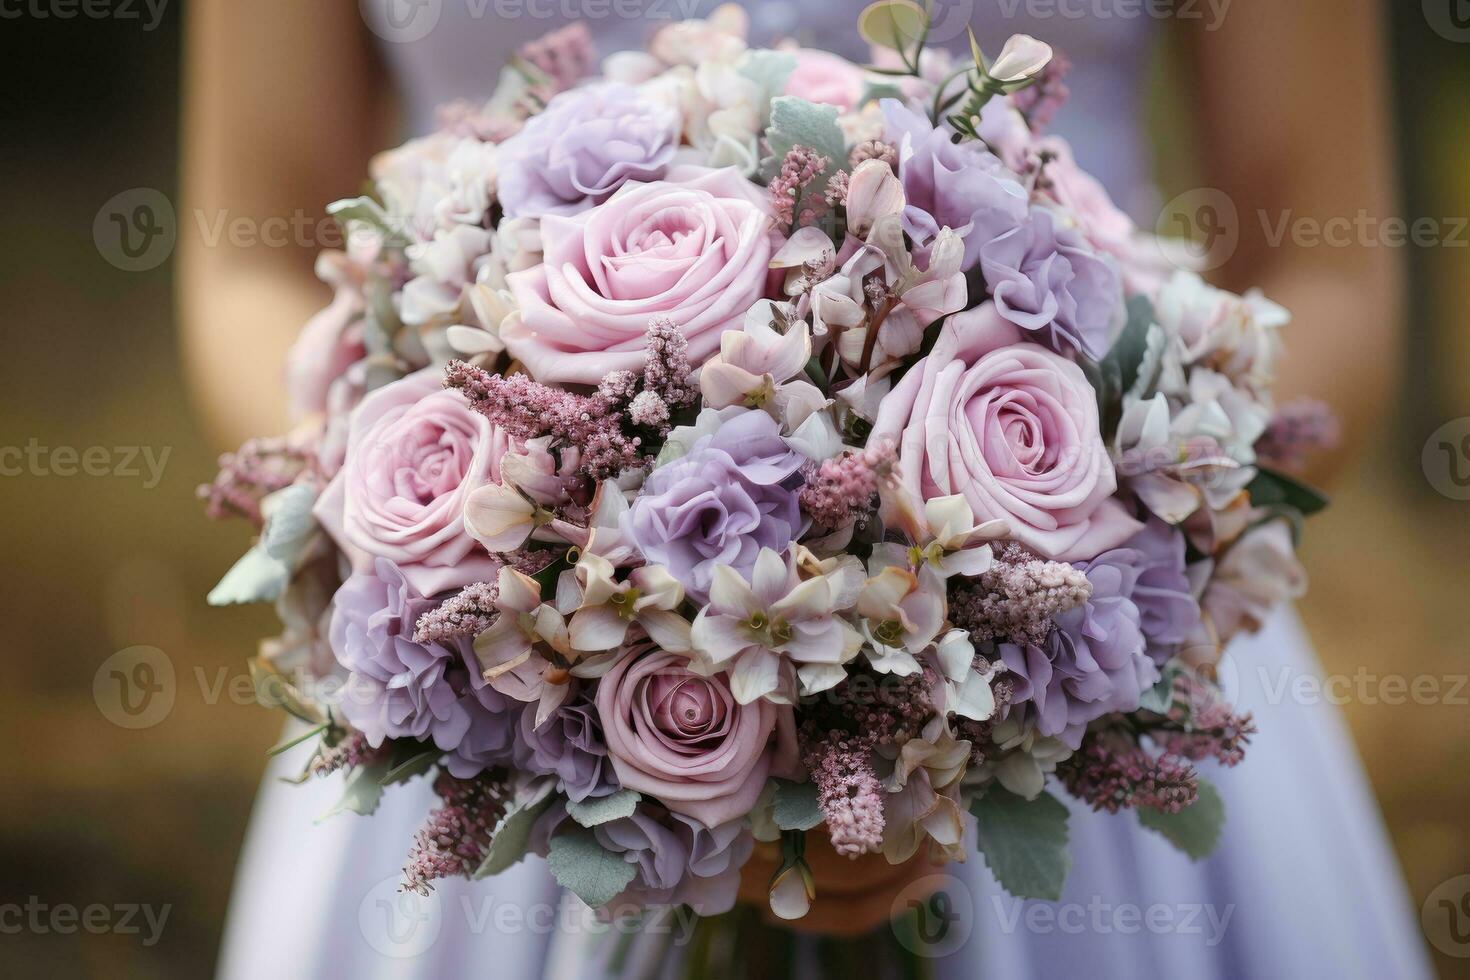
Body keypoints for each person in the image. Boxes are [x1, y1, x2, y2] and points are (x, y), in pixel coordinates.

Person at [181, 1, 1431, 976]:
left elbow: (1328, 271)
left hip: (1077, 651)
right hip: (521, 689)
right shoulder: (509, 629)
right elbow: (249, 258)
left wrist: (1009, 636)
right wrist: (462, 561)